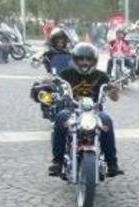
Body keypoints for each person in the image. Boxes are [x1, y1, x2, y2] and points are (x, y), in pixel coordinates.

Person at [43, 43, 124, 177]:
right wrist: (49, 80)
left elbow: (114, 98)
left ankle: (112, 164)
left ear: (94, 60)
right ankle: (57, 161)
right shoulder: (66, 73)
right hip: (72, 110)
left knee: (107, 120)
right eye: (81, 59)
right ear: (75, 60)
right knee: (60, 117)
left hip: (95, 112)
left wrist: (115, 89)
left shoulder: (102, 76)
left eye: (88, 59)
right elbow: (54, 84)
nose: (85, 62)